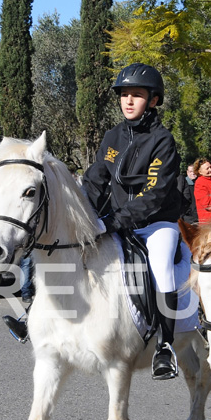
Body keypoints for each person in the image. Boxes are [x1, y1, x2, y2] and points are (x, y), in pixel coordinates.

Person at [83, 62, 184, 379]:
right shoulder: (112, 137)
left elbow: (154, 195)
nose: (128, 101)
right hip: (115, 221)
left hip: (156, 224)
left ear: (153, 100)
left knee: (161, 269)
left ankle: (165, 347)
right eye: (124, 94)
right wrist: (83, 212)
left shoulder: (163, 141)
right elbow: (95, 181)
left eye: (136, 95)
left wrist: (112, 222)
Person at [192, 157, 211, 223]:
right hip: (208, 222)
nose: (210, 169)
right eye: (207, 168)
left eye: (210, 167)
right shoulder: (199, 183)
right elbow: (207, 205)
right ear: (200, 172)